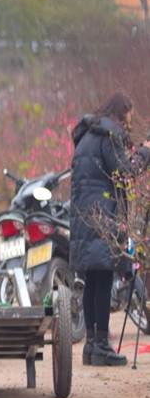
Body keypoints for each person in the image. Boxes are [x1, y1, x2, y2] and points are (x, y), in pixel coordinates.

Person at [70, 92, 150, 367]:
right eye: (129, 114)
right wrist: (145, 152)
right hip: (104, 214)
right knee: (103, 277)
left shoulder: (87, 136)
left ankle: (92, 345)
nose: (130, 120)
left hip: (85, 214)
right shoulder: (109, 135)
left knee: (92, 279)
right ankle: (102, 346)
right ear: (121, 111)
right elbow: (125, 171)